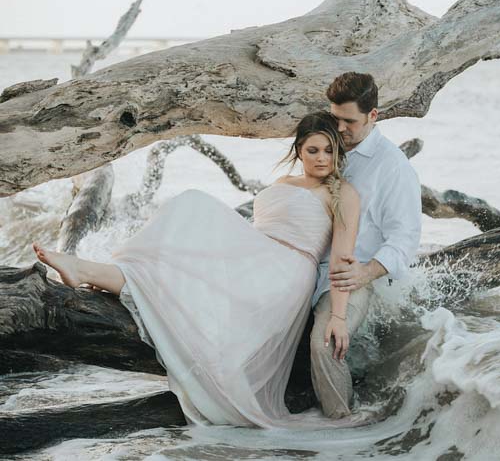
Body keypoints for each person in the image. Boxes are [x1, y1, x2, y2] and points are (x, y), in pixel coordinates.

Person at [32, 111, 361, 428]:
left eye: (329, 150)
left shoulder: (342, 193)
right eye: (312, 150)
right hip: (256, 254)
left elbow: (342, 258)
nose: (321, 158)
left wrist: (339, 316)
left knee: (195, 209)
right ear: (298, 151)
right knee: (188, 213)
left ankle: (89, 271)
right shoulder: (285, 181)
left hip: (285, 272)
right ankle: (87, 271)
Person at [309, 72, 422, 418]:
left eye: (350, 121)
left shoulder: (393, 168)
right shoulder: (325, 146)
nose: (340, 129)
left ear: (373, 116)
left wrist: (365, 273)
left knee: (324, 344)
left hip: (350, 276)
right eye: (335, 118)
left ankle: (343, 431)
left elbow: (405, 239)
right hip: (303, 269)